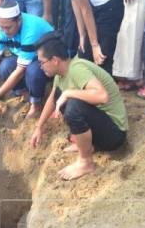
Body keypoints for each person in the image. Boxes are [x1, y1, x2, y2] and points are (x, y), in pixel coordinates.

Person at [31, 33, 128, 180]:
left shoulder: (77, 69)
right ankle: (85, 144)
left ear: (55, 60)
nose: (40, 66)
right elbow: (52, 99)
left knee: (74, 106)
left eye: (42, 62)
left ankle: (86, 162)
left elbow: (102, 96)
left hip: (114, 134)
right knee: (60, 95)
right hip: (100, 127)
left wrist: (69, 93)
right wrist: (39, 127)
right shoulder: (60, 74)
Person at [0, 0, 54, 118]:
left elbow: (20, 71)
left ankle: (36, 102)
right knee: (4, 67)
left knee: (32, 71)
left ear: (19, 20)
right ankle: (24, 92)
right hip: (26, 56)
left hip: (47, 60)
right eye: (2, 27)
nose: (5, 31)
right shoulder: (2, 28)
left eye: (8, 28)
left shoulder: (30, 30)